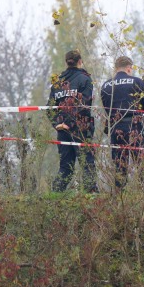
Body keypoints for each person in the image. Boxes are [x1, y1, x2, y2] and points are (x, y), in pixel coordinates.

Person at [100, 56, 144, 191]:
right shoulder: (137, 82)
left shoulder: (106, 85)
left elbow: (107, 108)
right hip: (135, 126)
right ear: (129, 68)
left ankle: (120, 196)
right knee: (142, 163)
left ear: (116, 68)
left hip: (115, 127)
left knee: (119, 165)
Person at [47, 49, 97, 192]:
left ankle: (54, 197)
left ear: (66, 63)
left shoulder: (58, 82)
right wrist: (69, 123)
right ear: (80, 62)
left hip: (62, 130)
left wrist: (58, 124)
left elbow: (48, 108)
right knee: (87, 164)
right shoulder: (85, 79)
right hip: (81, 128)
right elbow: (85, 105)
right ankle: (92, 198)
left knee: (66, 167)